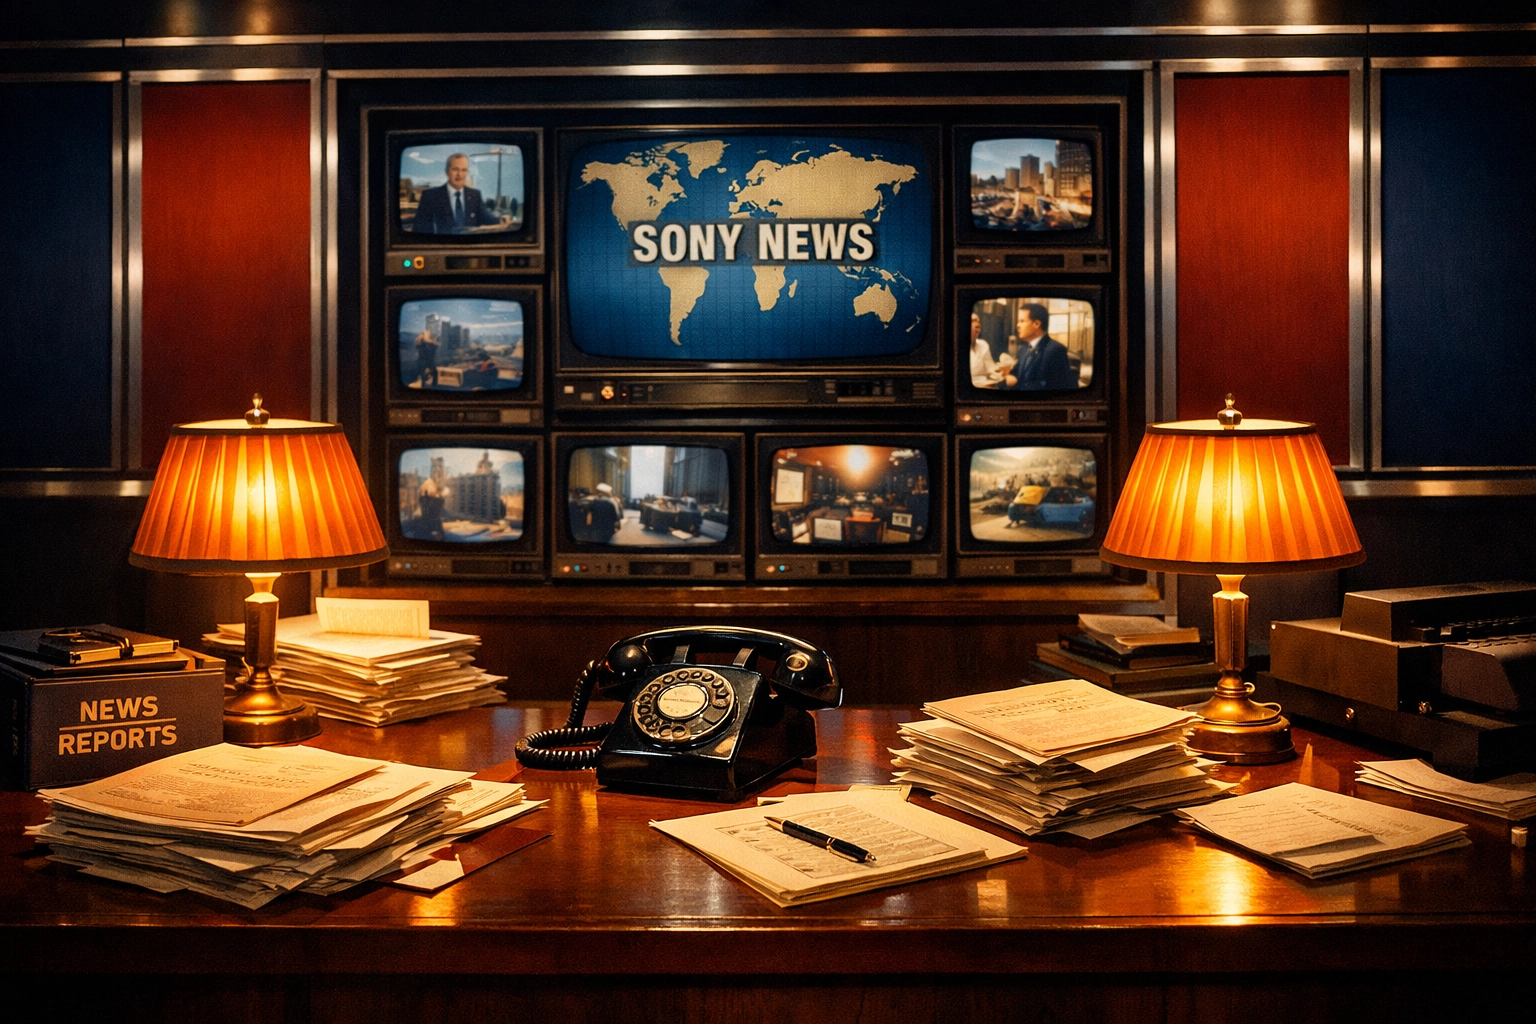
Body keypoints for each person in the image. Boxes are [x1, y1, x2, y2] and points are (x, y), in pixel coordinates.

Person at [410, 153, 513, 234]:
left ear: (467, 173)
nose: (460, 174)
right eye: (455, 169)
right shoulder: (430, 196)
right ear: (447, 171)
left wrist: (500, 219)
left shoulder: (475, 195)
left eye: (464, 170)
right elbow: (420, 228)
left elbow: (486, 218)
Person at [1001, 303, 1078, 391]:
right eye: (1018, 321)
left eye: (1022, 321)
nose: (1018, 325)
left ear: (1036, 324)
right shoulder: (1023, 349)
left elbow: (1056, 386)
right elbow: (1016, 373)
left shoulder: (1055, 350)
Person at [967, 312, 998, 388]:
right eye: (973, 321)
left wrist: (1003, 371)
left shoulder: (983, 344)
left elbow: (991, 368)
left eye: (979, 324)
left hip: (987, 385)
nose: (978, 325)